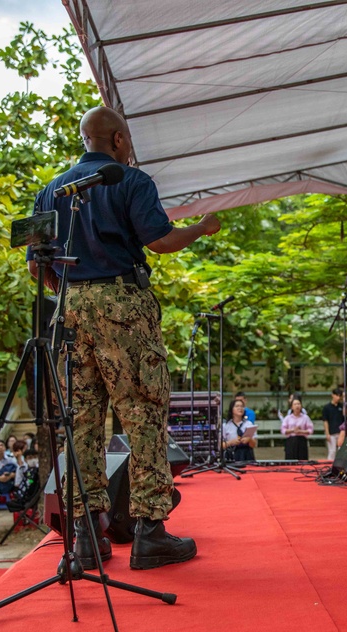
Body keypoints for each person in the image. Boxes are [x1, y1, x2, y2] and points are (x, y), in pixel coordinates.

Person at [28, 106, 219, 570]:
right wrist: (202, 227)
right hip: (122, 306)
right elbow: (161, 240)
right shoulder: (131, 181)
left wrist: (74, 289)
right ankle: (150, 532)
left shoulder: (50, 190)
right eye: (128, 140)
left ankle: (87, 536)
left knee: (81, 421)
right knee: (143, 414)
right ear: (116, 140)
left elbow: (39, 264)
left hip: (70, 309)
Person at [222, 398, 257, 462]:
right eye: (237, 406)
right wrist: (231, 442)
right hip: (231, 455)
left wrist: (249, 439)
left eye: (242, 406)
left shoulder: (249, 424)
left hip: (247, 455)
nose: (240, 408)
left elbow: (254, 445)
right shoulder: (225, 426)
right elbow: (220, 445)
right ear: (231, 409)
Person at [321, 388, 345, 460]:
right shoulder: (326, 408)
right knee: (332, 451)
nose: (338, 397)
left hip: (341, 432)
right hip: (331, 432)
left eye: (339, 396)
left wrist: (344, 400)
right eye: (336, 395)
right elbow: (325, 421)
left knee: (342, 451)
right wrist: (327, 433)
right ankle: (329, 465)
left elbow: (345, 416)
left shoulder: (341, 406)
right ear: (332, 395)